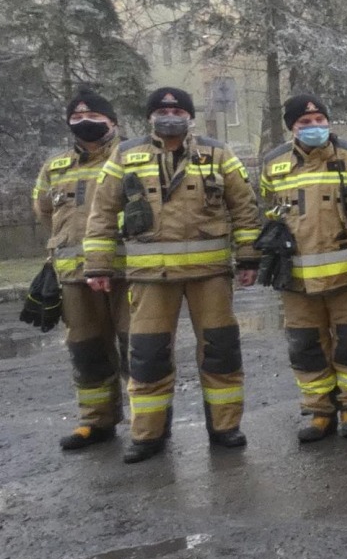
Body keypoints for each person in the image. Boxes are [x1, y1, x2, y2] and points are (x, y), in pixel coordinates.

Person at [83, 87, 262, 463]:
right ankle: (148, 435)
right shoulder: (126, 155)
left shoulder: (217, 154)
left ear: (189, 116)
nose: (170, 115)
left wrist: (248, 259)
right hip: (149, 278)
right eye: (162, 110)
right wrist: (99, 266)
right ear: (150, 117)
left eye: (177, 109)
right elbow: (101, 213)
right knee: (147, 358)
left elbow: (244, 208)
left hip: (210, 274)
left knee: (221, 352)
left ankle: (225, 427)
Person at [258, 94, 347, 443]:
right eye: (304, 123)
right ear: (292, 128)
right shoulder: (273, 162)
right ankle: (319, 410)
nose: (314, 128)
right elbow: (267, 209)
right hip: (296, 277)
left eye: (319, 120)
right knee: (306, 345)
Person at [32, 90, 127, 450]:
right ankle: (95, 421)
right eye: (77, 118)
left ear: (112, 122)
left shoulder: (132, 158)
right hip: (73, 276)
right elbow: (43, 210)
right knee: (87, 348)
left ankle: (149, 423)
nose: (85, 124)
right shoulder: (54, 167)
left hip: (127, 271)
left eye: (95, 118)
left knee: (140, 349)